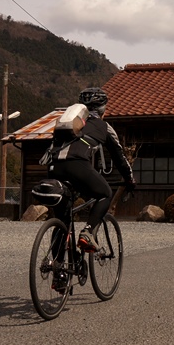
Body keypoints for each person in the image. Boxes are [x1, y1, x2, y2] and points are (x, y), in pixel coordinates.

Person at [47, 87, 136, 253]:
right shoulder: (104, 127)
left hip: (53, 168)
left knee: (62, 220)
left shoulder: (68, 123)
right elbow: (120, 158)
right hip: (77, 166)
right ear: (103, 109)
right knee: (105, 193)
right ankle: (88, 232)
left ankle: (58, 272)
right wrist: (130, 180)